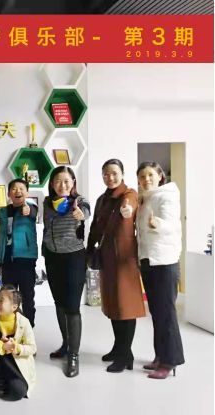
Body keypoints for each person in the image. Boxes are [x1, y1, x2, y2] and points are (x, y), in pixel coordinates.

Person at [86, 159, 145, 373]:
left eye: (114, 173)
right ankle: (118, 347)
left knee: (126, 306)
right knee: (113, 305)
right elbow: (95, 226)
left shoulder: (129, 195)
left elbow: (129, 207)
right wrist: (89, 247)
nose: (110, 177)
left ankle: (125, 354)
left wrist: (127, 210)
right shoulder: (102, 199)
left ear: (122, 174)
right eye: (106, 174)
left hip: (124, 260)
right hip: (107, 258)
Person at [136, 161, 185, 379]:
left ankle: (170, 361)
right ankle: (160, 356)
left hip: (164, 261)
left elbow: (172, 225)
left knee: (166, 314)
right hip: (149, 260)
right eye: (142, 176)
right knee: (156, 313)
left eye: (150, 175)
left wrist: (158, 224)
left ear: (160, 176)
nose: (146, 179)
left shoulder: (167, 196)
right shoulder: (146, 197)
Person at [42, 166, 91, 377]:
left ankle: (74, 356)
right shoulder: (47, 203)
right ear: (52, 184)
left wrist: (81, 214)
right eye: (57, 181)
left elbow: (85, 212)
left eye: (66, 181)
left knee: (72, 307)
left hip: (73, 258)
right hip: (53, 258)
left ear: (73, 183)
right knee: (59, 304)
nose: (62, 185)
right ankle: (66, 344)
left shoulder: (78, 201)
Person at [0, 179, 39, 327]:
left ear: (27, 192)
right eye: (14, 189)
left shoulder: (31, 207)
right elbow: (0, 238)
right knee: (8, 297)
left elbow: (32, 213)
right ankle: (10, 328)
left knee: (27, 297)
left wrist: (28, 210)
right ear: (9, 193)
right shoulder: (3, 212)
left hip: (26, 260)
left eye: (21, 188)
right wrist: (0, 262)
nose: (18, 191)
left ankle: (29, 328)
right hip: (7, 261)